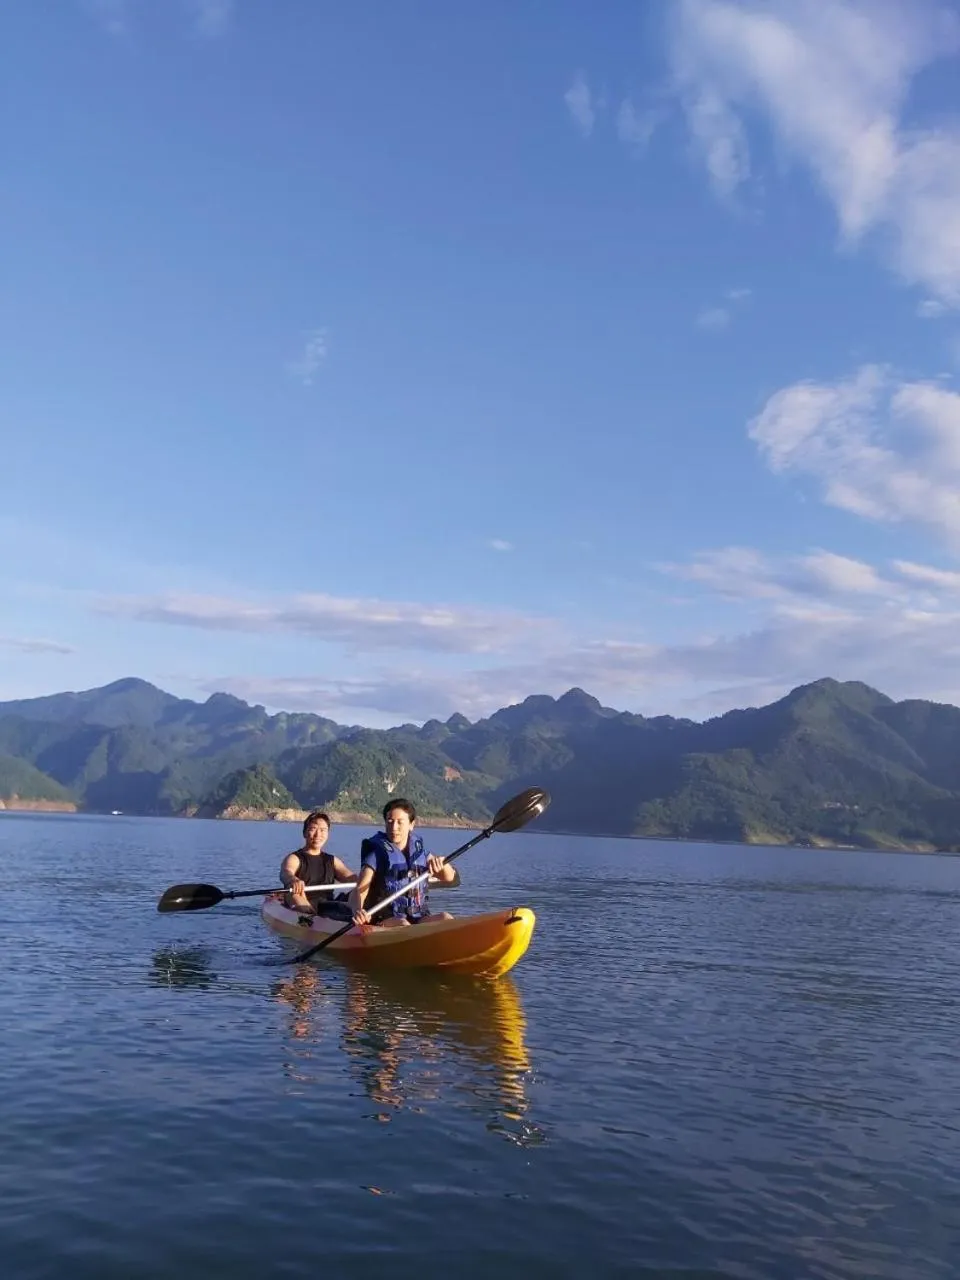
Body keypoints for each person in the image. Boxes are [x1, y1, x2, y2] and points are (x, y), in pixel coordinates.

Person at [350, 798, 456, 928]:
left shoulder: (421, 854)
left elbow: (449, 877)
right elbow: (360, 889)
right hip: (385, 917)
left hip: (418, 916)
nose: (394, 827)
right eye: (390, 821)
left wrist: (442, 864)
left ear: (411, 824)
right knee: (403, 925)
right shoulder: (375, 856)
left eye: (400, 822)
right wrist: (358, 911)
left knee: (446, 918)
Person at [280, 810, 355, 918]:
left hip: (326, 906)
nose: (318, 834)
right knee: (294, 895)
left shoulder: (332, 860)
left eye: (323, 830)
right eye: (313, 829)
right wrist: (293, 880)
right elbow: (285, 872)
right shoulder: (294, 858)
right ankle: (311, 918)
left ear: (328, 834)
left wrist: (370, 881)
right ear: (305, 833)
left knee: (358, 892)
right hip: (301, 902)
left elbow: (352, 878)